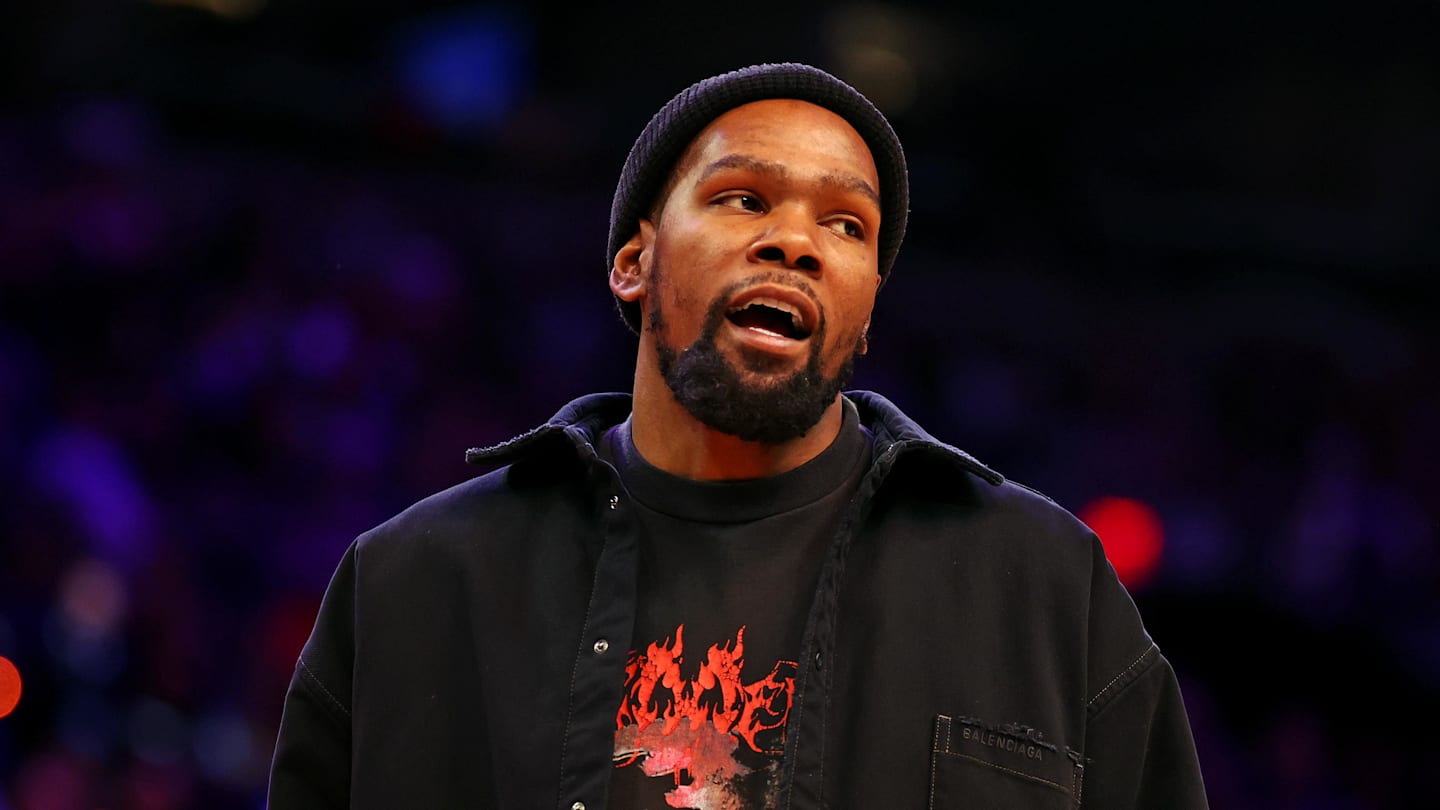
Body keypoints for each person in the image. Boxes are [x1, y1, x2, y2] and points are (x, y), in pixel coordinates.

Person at [267, 62, 1209, 809]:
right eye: (744, 199)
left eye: (847, 225)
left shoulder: (1043, 584)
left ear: (868, 311)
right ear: (634, 263)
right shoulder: (415, 581)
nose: (795, 242)